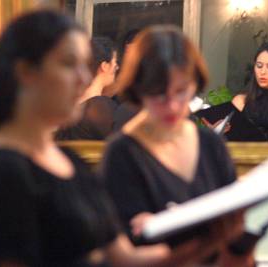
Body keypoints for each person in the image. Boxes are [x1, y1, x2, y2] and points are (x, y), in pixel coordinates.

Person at [0, 10, 226, 267]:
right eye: (70, 64)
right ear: (26, 72)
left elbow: (125, 258)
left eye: (85, 65)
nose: (84, 78)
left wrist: (208, 235)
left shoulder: (70, 162)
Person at [101, 25, 255, 267]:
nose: (173, 106)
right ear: (139, 90)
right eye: (159, 94)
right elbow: (120, 256)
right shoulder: (122, 153)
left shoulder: (211, 145)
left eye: (182, 91)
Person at [55, 36, 118, 140]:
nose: (117, 68)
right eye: (114, 64)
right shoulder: (102, 107)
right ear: (104, 66)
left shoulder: (67, 106)